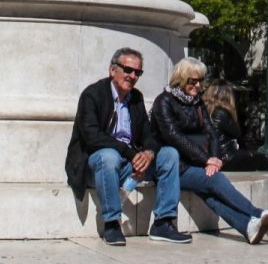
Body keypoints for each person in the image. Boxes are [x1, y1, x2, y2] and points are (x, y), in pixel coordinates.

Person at [60, 46, 182, 246]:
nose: (132, 76)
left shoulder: (136, 98)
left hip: (127, 163)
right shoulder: (93, 95)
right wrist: (130, 152)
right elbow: (92, 136)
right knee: (109, 156)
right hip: (96, 164)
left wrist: (149, 153)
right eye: (127, 70)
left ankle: (164, 222)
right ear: (112, 70)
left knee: (169, 154)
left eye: (137, 72)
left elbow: (148, 134)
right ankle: (111, 223)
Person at [151, 59, 268, 245]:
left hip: (194, 164)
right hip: (172, 167)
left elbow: (212, 132)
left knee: (211, 195)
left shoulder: (197, 103)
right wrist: (207, 160)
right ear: (180, 79)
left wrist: (214, 158)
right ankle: (258, 213)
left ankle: (249, 227)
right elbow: (174, 137)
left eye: (201, 81)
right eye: (193, 81)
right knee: (215, 180)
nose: (198, 85)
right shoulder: (163, 101)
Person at [205, 82, 268, 172]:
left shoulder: (206, 111)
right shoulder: (221, 113)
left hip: (213, 155)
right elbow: (237, 133)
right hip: (226, 157)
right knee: (262, 158)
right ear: (227, 95)